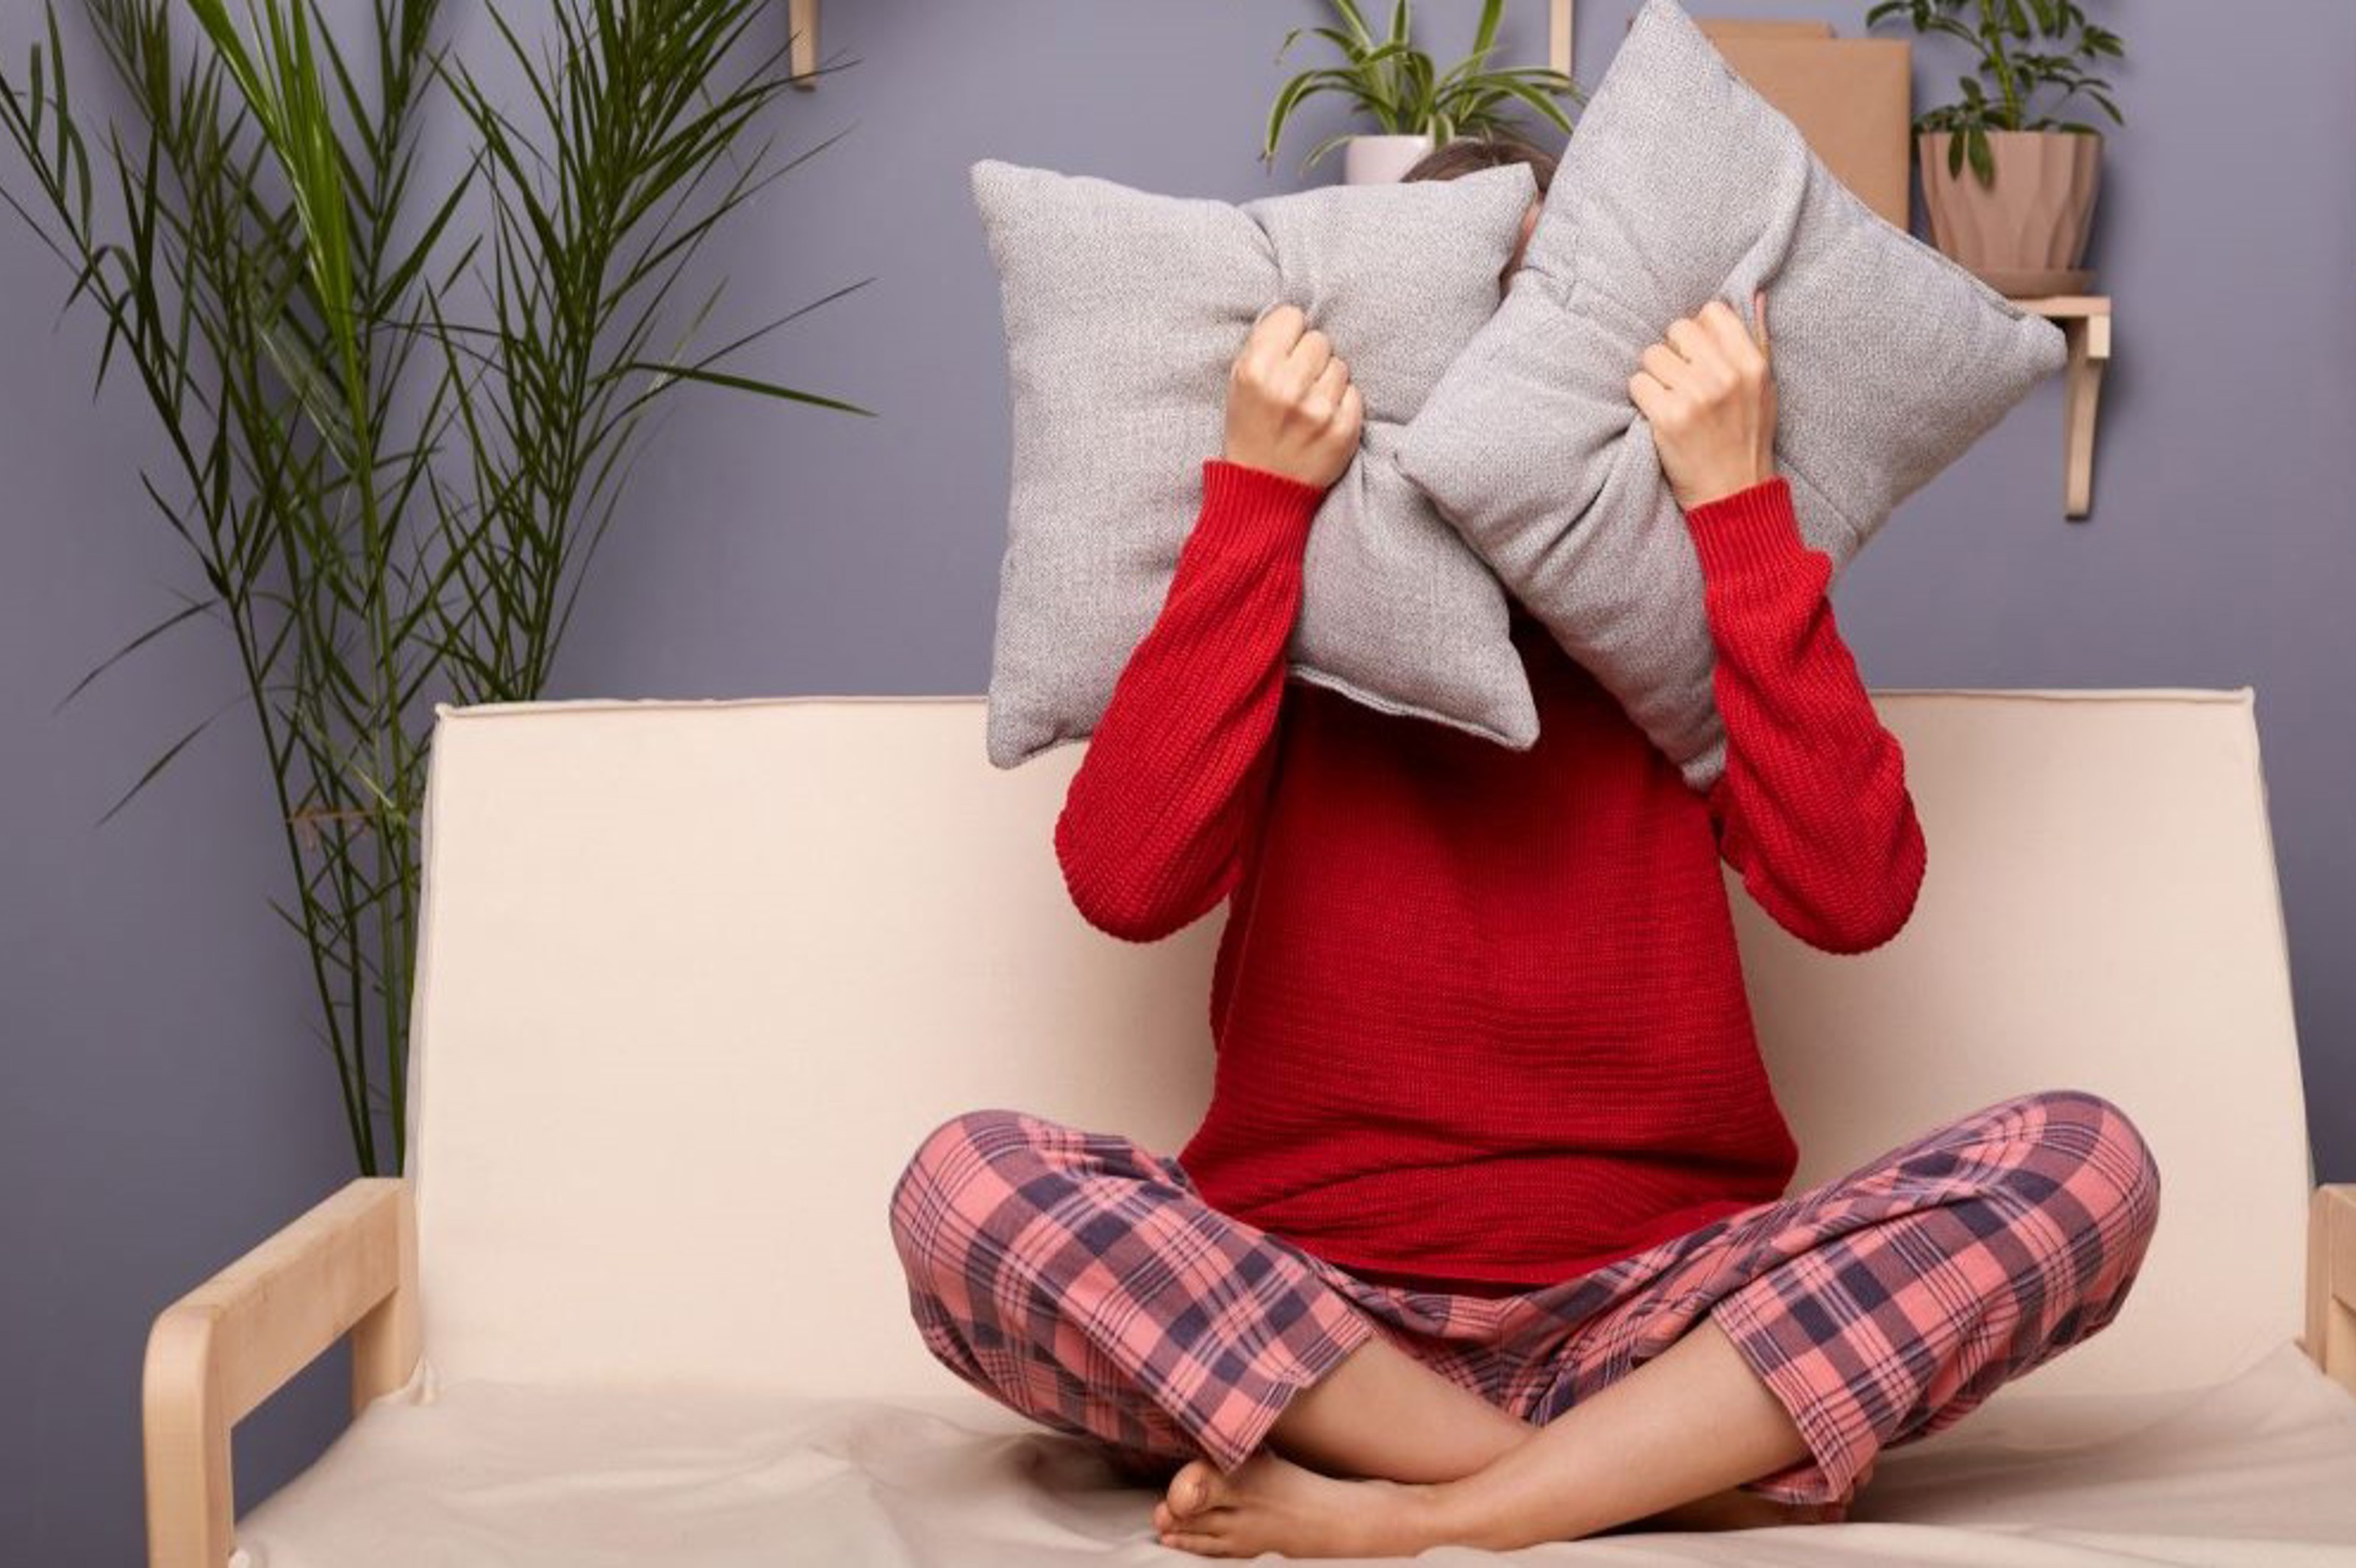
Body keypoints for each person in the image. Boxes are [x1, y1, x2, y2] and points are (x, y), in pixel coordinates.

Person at [889, 135, 2160, 1560]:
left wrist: (1738, 512)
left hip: (1662, 1311)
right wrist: (1256, 496)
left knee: (2088, 1163)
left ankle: (1442, 1508)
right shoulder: (1310, 614)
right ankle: (1635, 1485)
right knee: (965, 1188)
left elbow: (1856, 896)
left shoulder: (1681, 620)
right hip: (1314, 1317)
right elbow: (1127, 882)